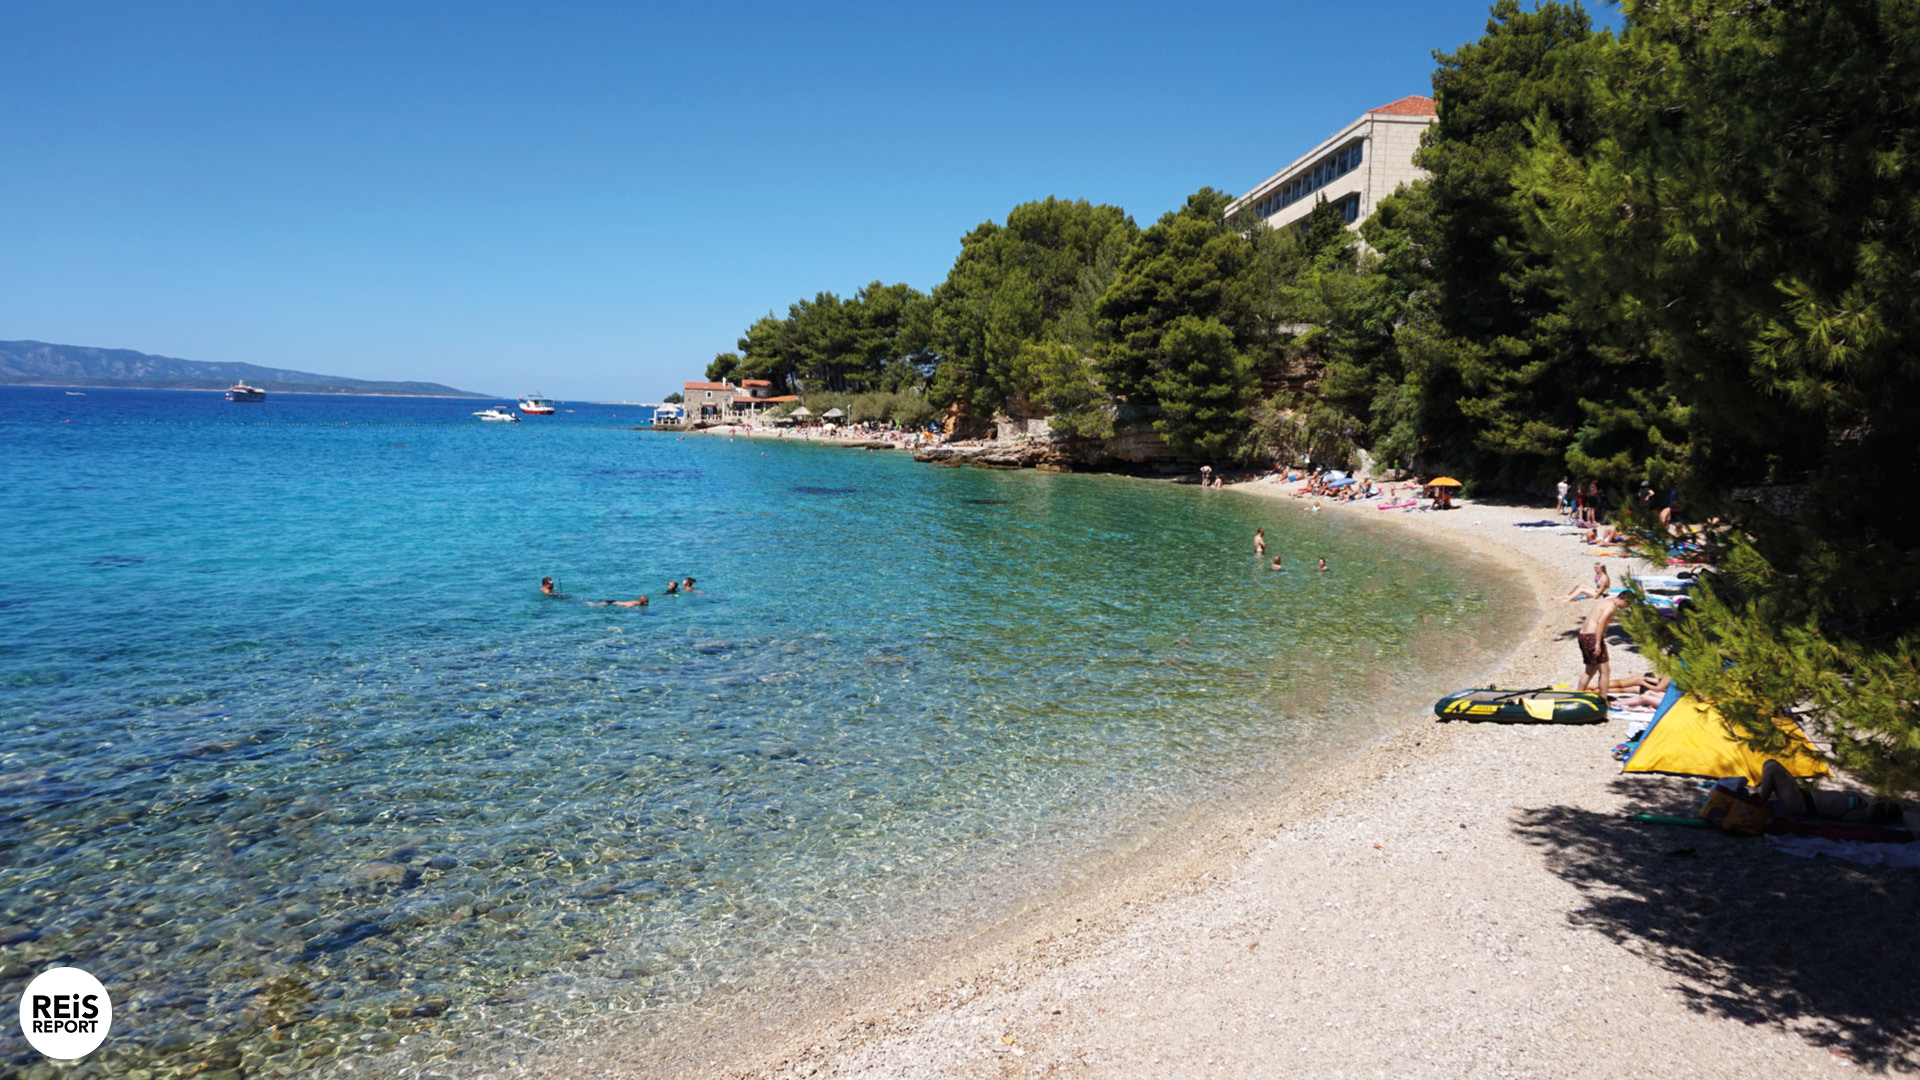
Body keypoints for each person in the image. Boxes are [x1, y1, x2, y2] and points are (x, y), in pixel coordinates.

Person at [1755, 760, 1904, 824]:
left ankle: (1759, 804)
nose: (1877, 801)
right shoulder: (1863, 805)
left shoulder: (1862, 816)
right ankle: (1760, 800)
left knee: (1772, 768)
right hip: (1805, 795)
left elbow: (1875, 810)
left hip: (1802, 805)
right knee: (1770, 763)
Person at [1575, 594, 1633, 693]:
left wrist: (1604, 631)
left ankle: (1578, 694)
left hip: (1583, 636)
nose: (1625, 608)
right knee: (1605, 671)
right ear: (1625, 600)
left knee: (1590, 670)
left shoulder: (1605, 602)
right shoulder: (1611, 607)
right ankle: (1603, 698)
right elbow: (1601, 622)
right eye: (1627, 605)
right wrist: (1597, 643)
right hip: (1592, 637)